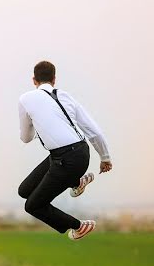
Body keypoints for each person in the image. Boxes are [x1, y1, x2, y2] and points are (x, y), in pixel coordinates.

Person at [18, 60, 112, 240]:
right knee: (24, 191)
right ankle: (77, 181)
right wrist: (105, 157)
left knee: (32, 206)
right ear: (54, 79)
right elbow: (94, 130)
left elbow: (26, 138)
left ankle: (80, 226)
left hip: (66, 160)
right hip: (78, 154)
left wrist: (36, 127)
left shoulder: (25, 99)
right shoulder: (66, 96)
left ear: (33, 80)